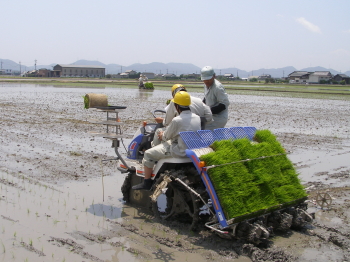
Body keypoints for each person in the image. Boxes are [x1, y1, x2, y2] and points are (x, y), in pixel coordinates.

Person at [132, 91, 201, 190]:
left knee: (148, 153)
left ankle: (147, 183)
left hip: (179, 150)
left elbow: (165, 137)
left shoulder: (177, 120)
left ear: (176, 106)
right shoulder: (197, 118)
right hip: (191, 148)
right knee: (162, 136)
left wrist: (161, 135)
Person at [200, 66, 230, 130]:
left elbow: (224, 104)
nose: (206, 82)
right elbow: (206, 97)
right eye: (204, 80)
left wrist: (208, 111)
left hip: (218, 118)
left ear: (214, 76)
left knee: (202, 129)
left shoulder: (218, 87)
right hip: (210, 115)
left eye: (208, 79)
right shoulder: (206, 85)